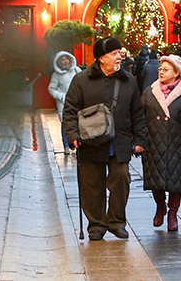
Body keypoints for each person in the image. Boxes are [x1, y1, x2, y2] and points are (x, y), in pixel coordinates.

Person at [62, 37, 147, 241]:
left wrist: (141, 139)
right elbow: (70, 110)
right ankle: (96, 225)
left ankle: (116, 222)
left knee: (121, 179)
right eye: (114, 53)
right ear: (101, 58)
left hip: (120, 141)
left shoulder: (128, 81)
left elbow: (137, 112)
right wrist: (72, 135)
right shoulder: (81, 80)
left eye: (120, 52)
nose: (120, 57)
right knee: (91, 184)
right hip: (90, 141)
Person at [141, 55, 181, 231]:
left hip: (177, 143)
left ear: (176, 73)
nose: (161, 71)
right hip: (154, 141)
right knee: (155, 180)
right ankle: (160, 207)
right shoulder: (149, 92)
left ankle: (173, 214)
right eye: (160, 68)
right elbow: (139, 115)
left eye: (166, 69)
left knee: (176, 180)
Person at [48, 51, 82, 153]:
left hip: (78, 102)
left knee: (79, 124)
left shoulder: (76, 71)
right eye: (62, 60)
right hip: (64, 104)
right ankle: (66, 146)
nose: (65, 61)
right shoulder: (56, 75)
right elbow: (51, 89)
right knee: (65, 125)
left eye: (66, 59)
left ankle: (77, 144)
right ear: (58, 62)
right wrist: (62, 96)